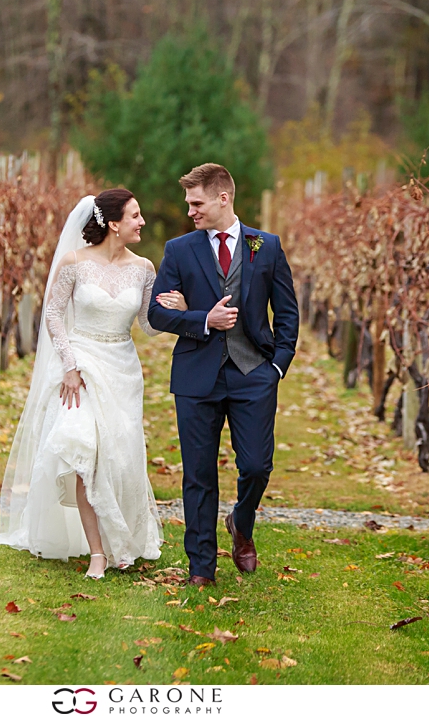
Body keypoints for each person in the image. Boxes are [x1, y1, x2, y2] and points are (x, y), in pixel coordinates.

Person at [0, 189, 186, 579]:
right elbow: (52, 315)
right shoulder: (74, 262)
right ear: (114, 223)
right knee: (85, 454)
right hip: (81, 367)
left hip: (122, 369)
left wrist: (178, 311)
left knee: (120, 457)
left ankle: (122, 539)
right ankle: (97, 552)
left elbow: (148, 327)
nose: (142, 222)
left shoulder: (145, 268)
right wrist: (69, 364)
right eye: (135, 215)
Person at [147, 163, 299, 586]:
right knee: (198, 474)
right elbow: (157, 313)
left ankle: (241, 520)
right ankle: (201, 568)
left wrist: (276, 367)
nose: (191, 211)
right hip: (197, 375)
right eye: (188, 204)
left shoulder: (264, 246)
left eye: (197, 203)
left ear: (222, 198)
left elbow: (287, 312)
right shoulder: (179, 249)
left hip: (254, 373)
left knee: (255, 465)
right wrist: (202, 319)